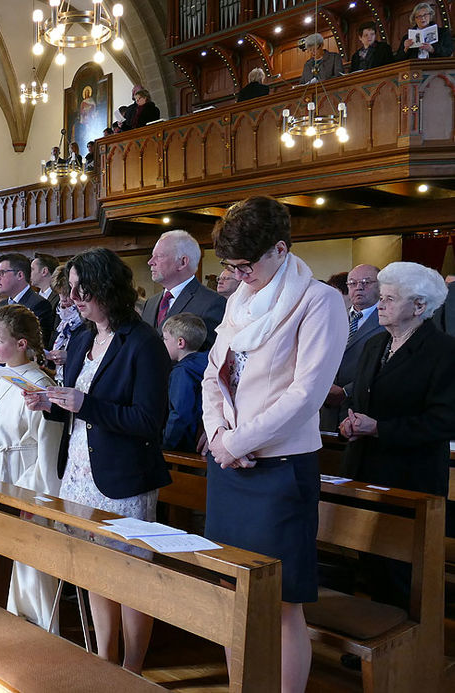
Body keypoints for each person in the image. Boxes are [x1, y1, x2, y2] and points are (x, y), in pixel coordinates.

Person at [201, 196, 347, 692]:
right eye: (230, 267)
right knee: (231, 590)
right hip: (231, 466)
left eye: (245, 265)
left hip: (281, 469)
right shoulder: (239, 301)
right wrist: (220, 435)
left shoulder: (319, 301)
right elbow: (212, 375)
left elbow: (306, 395)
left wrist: (239, 439)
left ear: (280, 249)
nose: (238, 275)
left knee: (283, 601)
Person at [25, 247, 170, 673]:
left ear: (107, 287)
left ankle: (132, 668)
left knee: (129, 576)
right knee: (94, 571)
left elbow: (148, 420)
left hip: (123, 475)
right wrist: (48, 403)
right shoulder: (85, 338)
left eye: (80, 289)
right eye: (69, 290)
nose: (72, 298)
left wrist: (84, 404)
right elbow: (74, 403)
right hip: (79, 472)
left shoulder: (143, 343)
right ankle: (105, 660)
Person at [0, 304, 61, 631]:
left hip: (24, 471)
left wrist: (33, 489)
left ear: (22, 343)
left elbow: (47, 444)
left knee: (28, 550)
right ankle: (1, 604)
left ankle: (37, 618)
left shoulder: (39, 384)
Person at [340, 262, 455, 497]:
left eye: (390, 299)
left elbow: (444, 421)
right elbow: (360, 398)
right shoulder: (374, 344)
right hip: (360, 468)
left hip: (409, 476)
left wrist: (379, 429)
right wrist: (349, 421)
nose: (380, 305)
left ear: (419, 306)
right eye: (381, 297)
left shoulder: (444, 351)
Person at [321, 265, 385, 432]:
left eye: (366, 282)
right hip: (326, 408)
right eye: (353, 283)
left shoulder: (388, 321)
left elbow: (387, 367)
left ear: (381, 286)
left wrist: (346, 391)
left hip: (362, 409)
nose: (359, 287)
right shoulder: (332, 317)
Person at [142, 229, 226, 349]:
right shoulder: (150, 303)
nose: (150, 262)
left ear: (182, 262)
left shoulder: (212, 304)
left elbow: (207, 357)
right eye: (152, 256)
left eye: (159, 256)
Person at [161, 313, 208, 452]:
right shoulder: (208, 361)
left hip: (185, 445)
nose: (163, 343)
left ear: (180, 343)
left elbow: (180, 413)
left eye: (165, 339)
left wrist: (166, 444)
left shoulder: (182, 372)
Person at [0, 253, 54, 346]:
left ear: (19, 275)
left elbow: (35, 346)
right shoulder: (0, 306)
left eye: (2, 273)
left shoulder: (39, 305)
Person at [45, 265, 84, 382]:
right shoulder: (62, 315)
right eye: (59, 294)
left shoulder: (86, 319)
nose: (63, 299)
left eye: (66, 294)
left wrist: (69, 357)